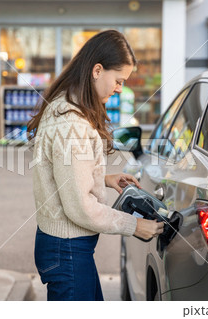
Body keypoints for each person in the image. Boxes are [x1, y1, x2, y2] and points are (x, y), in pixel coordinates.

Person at [27, 30, 164, 301]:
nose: (120, 88)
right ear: (97, 70)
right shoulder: (72, 123)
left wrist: (104, 178)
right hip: (67, 251)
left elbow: (64, 174)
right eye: (119, 80)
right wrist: (134, 226)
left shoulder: (65, 105)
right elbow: (80, 207)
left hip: (63, 248)